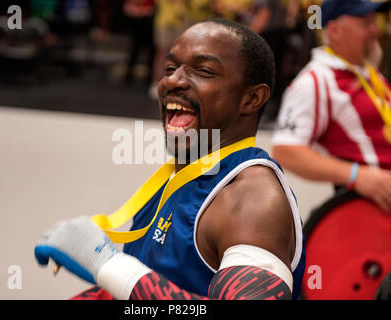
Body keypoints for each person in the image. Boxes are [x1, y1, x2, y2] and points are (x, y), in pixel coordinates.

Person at [35, 18, 306, 300]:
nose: (172, 80)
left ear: (252, 98)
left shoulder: (253, 198)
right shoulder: (186, 176)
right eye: (170, 68)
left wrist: (109, 265)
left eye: (203, 70)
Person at [272, 0, 391, 213]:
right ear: (335, 30)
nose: (375, 30)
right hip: (369, 212)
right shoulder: (315, 80)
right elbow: (285, 150)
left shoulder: (369, 73)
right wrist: (357, 175)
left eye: (375, 22)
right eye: (365, 23)